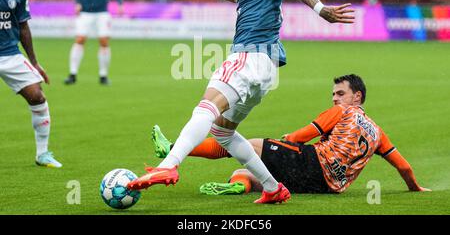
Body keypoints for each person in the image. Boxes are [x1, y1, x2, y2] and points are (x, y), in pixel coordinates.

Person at [127, 0, 354, 204]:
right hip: (265, 70)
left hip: (249, 57)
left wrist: (320, 9)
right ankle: (272, 188)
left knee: (205, 108)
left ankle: (169, 164)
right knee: (223, 133)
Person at [151, 74, 430, 195]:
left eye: (340, 93)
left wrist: (283, 142)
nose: (335, 99)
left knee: (244, 145)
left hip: (312, 164)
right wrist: (415, 188)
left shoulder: (344, 112)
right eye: (333, 94)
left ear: (357, 96)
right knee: (255, 174)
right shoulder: (378, 133)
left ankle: (174, 149)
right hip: (327, 188)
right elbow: (403, 166)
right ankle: (240, 186)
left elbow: (299, 138)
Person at [0, 0, 62, 168]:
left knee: (37, 96)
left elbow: (24, 28)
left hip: (10, 55)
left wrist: (34, 62)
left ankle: (42, 154)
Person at [64, 0, 123, 86]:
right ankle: (72, 74)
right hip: (85, 12)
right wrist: (77, 3)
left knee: (104, 41)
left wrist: (120, 4)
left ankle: (103, 75)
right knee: (80, 39)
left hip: (102, 12)